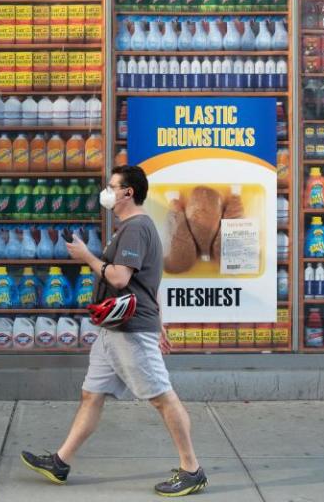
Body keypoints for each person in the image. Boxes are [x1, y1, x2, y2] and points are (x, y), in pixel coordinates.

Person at [21, 165, 207, 497]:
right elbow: (151, 282)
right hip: (113, 331)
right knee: (91, 395)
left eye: (112, 186)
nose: (107, 191)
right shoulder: (130, 228)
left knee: (163, 399)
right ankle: (61, 462)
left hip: (131, 331)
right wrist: (160, 323)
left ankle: (192, 468)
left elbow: (120, 278)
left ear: (127, 193)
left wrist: (86, 256)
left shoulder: (136, 228)